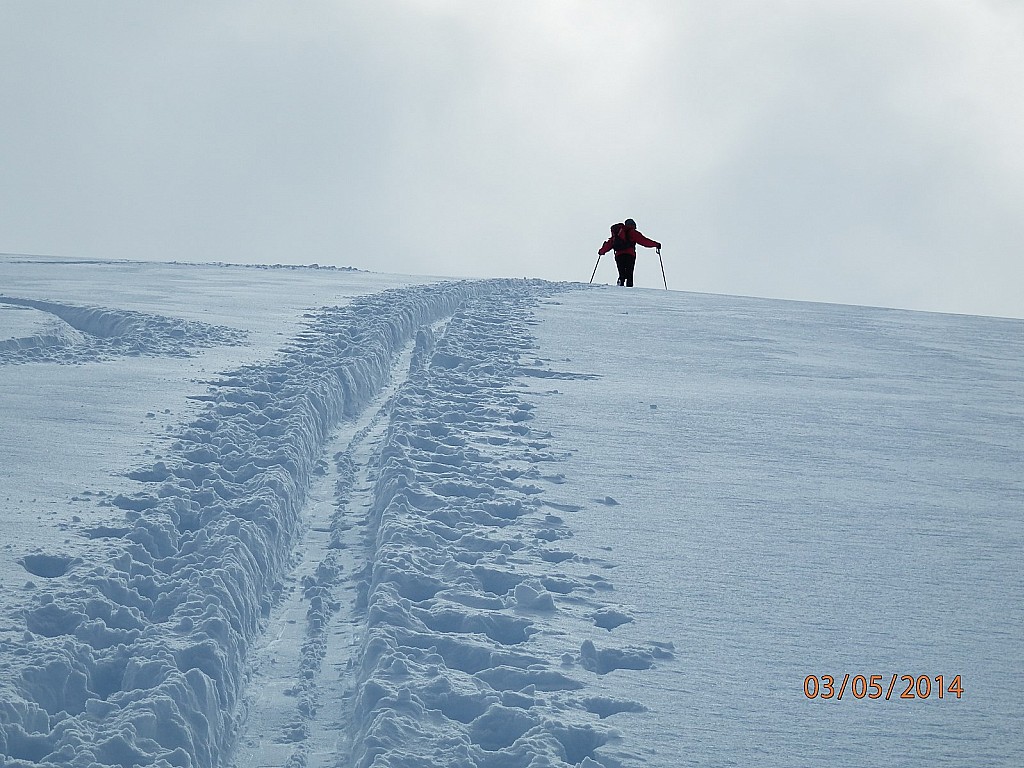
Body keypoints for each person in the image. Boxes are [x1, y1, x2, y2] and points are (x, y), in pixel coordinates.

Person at [598, 218, 661, 287]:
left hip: (619, 255)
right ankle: (629, 287)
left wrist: (602, 251)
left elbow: (609, 244)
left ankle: (620, 283)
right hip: (630, 255)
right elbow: (644, 241)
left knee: (621, 271)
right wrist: (656, 244)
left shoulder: (618, 234)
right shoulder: (632, 232)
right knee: (629, 273)